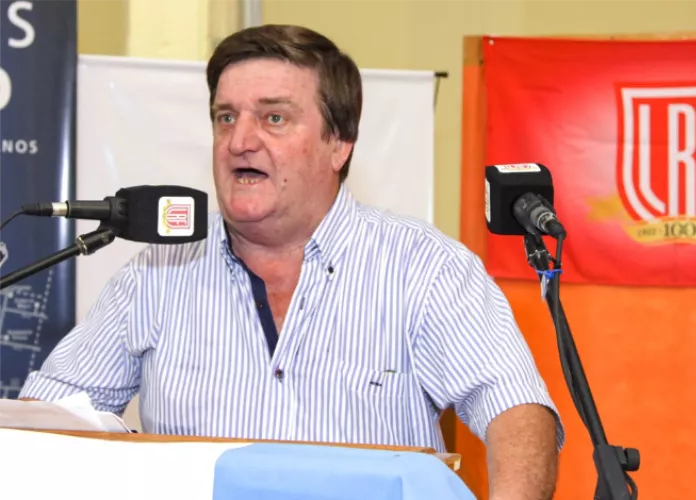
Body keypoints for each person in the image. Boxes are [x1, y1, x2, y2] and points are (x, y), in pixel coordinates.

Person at [20, 25, 564, 499]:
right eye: (225, 117)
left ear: (339, 144)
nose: (240, 140)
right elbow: (48, 420)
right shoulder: (155, 275)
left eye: (274, 117)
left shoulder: (426, 268)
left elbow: (514, 408)